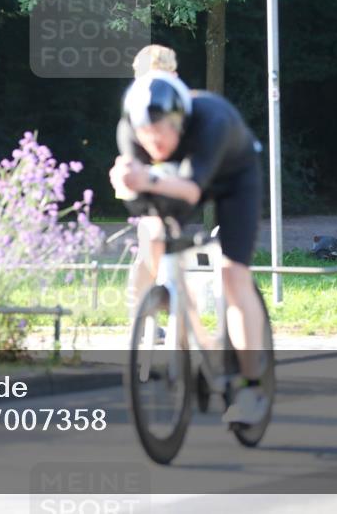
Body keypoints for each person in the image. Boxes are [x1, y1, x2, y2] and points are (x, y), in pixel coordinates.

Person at [108, 64, 268, 425]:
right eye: (146, 137)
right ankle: (187, 335)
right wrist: (123, 182)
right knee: (152, 232)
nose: (154, 145)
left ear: (179, 121)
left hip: (232, 179)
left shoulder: (211, 120)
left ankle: (250, 386)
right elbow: (137, 187)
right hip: (177, 179)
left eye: (161, 137)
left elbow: (193, 189)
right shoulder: (130, 130)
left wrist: (145, 176)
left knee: (232, 276)